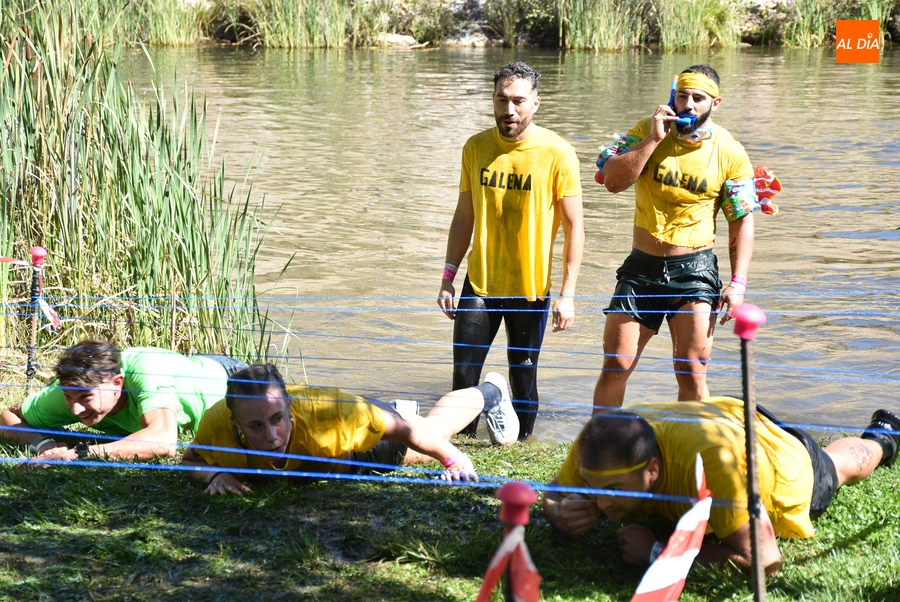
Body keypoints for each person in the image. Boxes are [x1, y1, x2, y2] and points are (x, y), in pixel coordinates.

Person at [542, 397, 900, 575]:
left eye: (616, 489)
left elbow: (765, 561)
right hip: (728, 416)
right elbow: (553, 495)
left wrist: (659, 555)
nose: (602, 505)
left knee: (836, 466)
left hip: (784, 465)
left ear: (653, 468)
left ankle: (884, 437)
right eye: (593, 488)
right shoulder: (599, 442)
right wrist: (560, 513)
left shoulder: (713, 463)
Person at [593, 64, 758, 411]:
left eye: (698, 98)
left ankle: (699, 451)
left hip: (695, 270)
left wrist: (738, 283)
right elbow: (612, 182)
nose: (689, 104)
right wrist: (653, 138)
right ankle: (598, 451)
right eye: (682, 96)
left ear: (715, 102)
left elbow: (741, 221)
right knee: (615, 367)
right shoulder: (644, 131)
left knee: (691, 372)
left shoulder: (730, 150)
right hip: (641, 268)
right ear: (672, 96)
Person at [437, 60, 585, 442]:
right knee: (463, 375)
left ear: (536, 102)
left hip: (530, 289)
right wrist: (448, 278)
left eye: (518, 100)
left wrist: (567, 295)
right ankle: (464, 447)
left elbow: (575, 228)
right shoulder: (476, 147)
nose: (509, 110)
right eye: (502, 100)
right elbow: (463, 217)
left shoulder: (558, 153)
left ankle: (523, 446)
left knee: (523, 378)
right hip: (481, 283)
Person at [182, 364, 519, 495]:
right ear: (235, 423)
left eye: (278, 419)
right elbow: (190, 458)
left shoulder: (324, 413)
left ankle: (491, 394)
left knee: (436, 430)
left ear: (289, 408)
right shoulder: (216, 424)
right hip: (354, 424)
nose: (271, 436)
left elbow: (402, 431)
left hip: (358, 438)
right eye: (255, 426)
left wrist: (453, 460)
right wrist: (212, 477)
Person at [0, 339, 246, 462]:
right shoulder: (70, 389)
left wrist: (76, 454)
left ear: (117, 383)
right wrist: (43, 445)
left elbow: (164, 442)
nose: (75, 408)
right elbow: (8, 416)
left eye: (86, 397)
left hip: (231, 377)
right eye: (68, 397)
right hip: (188, 369)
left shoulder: (146, 370)